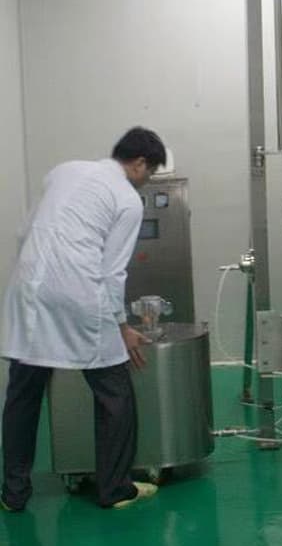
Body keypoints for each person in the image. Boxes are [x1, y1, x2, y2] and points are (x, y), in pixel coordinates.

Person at [0, 127, 167, 511]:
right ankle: (115, 489)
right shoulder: (127, 200)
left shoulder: (64, 171)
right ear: (140, 163)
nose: (147, 180)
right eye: (150, 172)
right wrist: (122, 327)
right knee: (115, 394)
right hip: (79, 292)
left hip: (29, 286)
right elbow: (112, 271)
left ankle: (13, 493)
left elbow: (25, 231)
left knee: (23, 393)